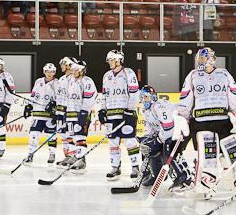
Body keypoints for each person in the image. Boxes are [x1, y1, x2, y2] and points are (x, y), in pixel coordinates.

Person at [177, 48, 236, 197]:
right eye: (199, 58)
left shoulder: (224, 74)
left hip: (223, 122)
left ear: (211, 59)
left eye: (203, 58)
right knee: (207, 156)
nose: (200, 61)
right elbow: (186, 98)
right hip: (202, 123)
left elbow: (234, 96)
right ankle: (206, 184)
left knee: (232, 153)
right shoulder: (193, 75)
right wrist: (182, 118)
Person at [138, 85, 192, 190]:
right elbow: (150, 127)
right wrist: (146, 138)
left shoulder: (159, 106)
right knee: (149, 148)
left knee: (168, 150)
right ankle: (155, 175)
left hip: (179, 130)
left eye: (147, 97)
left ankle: (183, 176)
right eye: (142, 97)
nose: (144, 100)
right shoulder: (145, 110)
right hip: (167, 133)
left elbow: (168, 127)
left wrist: (157, 141)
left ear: (153, 97)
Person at [98, 51, 141, 180]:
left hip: (125, 114)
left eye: (112, 60)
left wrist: (130, 109)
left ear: (118, 60)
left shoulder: (128, 73)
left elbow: (134, 92)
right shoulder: (107, 76)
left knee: (130, 141)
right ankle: (115, 167)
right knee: (113, 142)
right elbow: (105, 95)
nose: (110, 63)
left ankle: (135, 166)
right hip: (111, 115)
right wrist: (102, 110)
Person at [65, 59, 97, 171]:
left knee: (80, 136)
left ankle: (81, 160)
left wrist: (84, 112)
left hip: (82, 113)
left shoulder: (87, 81)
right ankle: (75, 156)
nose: (73, 71)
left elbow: (91, 98)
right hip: (71, 113)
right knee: (72, 136)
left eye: (76, 69)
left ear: (82, 70)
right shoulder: (72, 81)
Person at [23, 63, 58, 166]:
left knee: (51, 136)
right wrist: (29, 106)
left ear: (54, 72)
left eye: (51, 71)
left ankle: (52, 153)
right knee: (33, 135)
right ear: (44, 72)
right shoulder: (38, 81)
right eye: (47, 71)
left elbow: (60, 98)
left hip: (50, 115)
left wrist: (54, 106)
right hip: (38, 113)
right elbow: (33, 95)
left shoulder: (57, 83)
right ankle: (30, 154)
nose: (49, 73)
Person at [55, 57, 75, 167]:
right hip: (60, 111)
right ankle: (67, 156)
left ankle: (73, 156)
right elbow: (59, 95)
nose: (61, 67)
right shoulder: (62, 79)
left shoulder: (74, 79)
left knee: (70, 134)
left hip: (69, 111)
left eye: (63, 64)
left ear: (68, 65)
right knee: (62, 134)